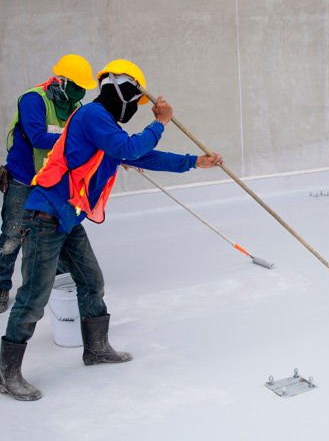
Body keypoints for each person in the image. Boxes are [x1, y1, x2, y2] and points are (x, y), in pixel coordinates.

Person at [0, 59, 223, 401]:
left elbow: (142, 156)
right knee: (33, 297)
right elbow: (128, 148)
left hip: (68, 218)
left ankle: (96, 349)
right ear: (122, 92)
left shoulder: (106, 127)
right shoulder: (92, 116)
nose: (135, 107)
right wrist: (160, 122)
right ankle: (6, 374)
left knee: (92, 281)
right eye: (135, 99)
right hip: (45, 217)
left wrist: (194, 162)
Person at [0, 54, 97, 314]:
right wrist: (81, 139)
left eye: (82, 87)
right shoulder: (34, 99)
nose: (79, 91)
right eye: (75, 85)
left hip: (52, 182)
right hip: (23, 178)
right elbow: (38, 137)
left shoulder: (74, 105)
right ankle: (1, 287)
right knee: (12, 235)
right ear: (61, 80)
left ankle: (58, 285)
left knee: (55, 233)